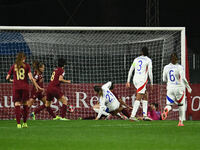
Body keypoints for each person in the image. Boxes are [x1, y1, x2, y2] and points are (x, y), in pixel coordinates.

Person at [6, 52, 43, 128]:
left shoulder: (14, 66)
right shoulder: (27, 66)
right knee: (25, 104)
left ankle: (18, 124)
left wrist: (12, 80)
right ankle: (25, 123)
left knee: (17, 104)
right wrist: (37, 87)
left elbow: (7, 77)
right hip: (25, 87)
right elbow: (30, 78)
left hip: (16, 87)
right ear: (24, 58)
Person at [161, 52, 192, 126]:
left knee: (169, 105)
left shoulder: (166, 67)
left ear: (170, 59)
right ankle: (180, 122)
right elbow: (183, 78)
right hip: (179, 88)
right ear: (177, 59)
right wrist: (188, 87)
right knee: (181, 105)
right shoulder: (180, 67)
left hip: (170, 88)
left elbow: (164, 79)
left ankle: (167, 109)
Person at [126, 46, 153, 121]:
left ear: (141, 52)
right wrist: (152, 83)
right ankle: (132, 115)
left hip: (135, 79)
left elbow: (131, 70)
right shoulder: (148, 60)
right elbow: (150, 72)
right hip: (142, 80)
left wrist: (128, 81)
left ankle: (145, 115)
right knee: (139, 97)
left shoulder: (136, 59)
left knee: (145, 95)